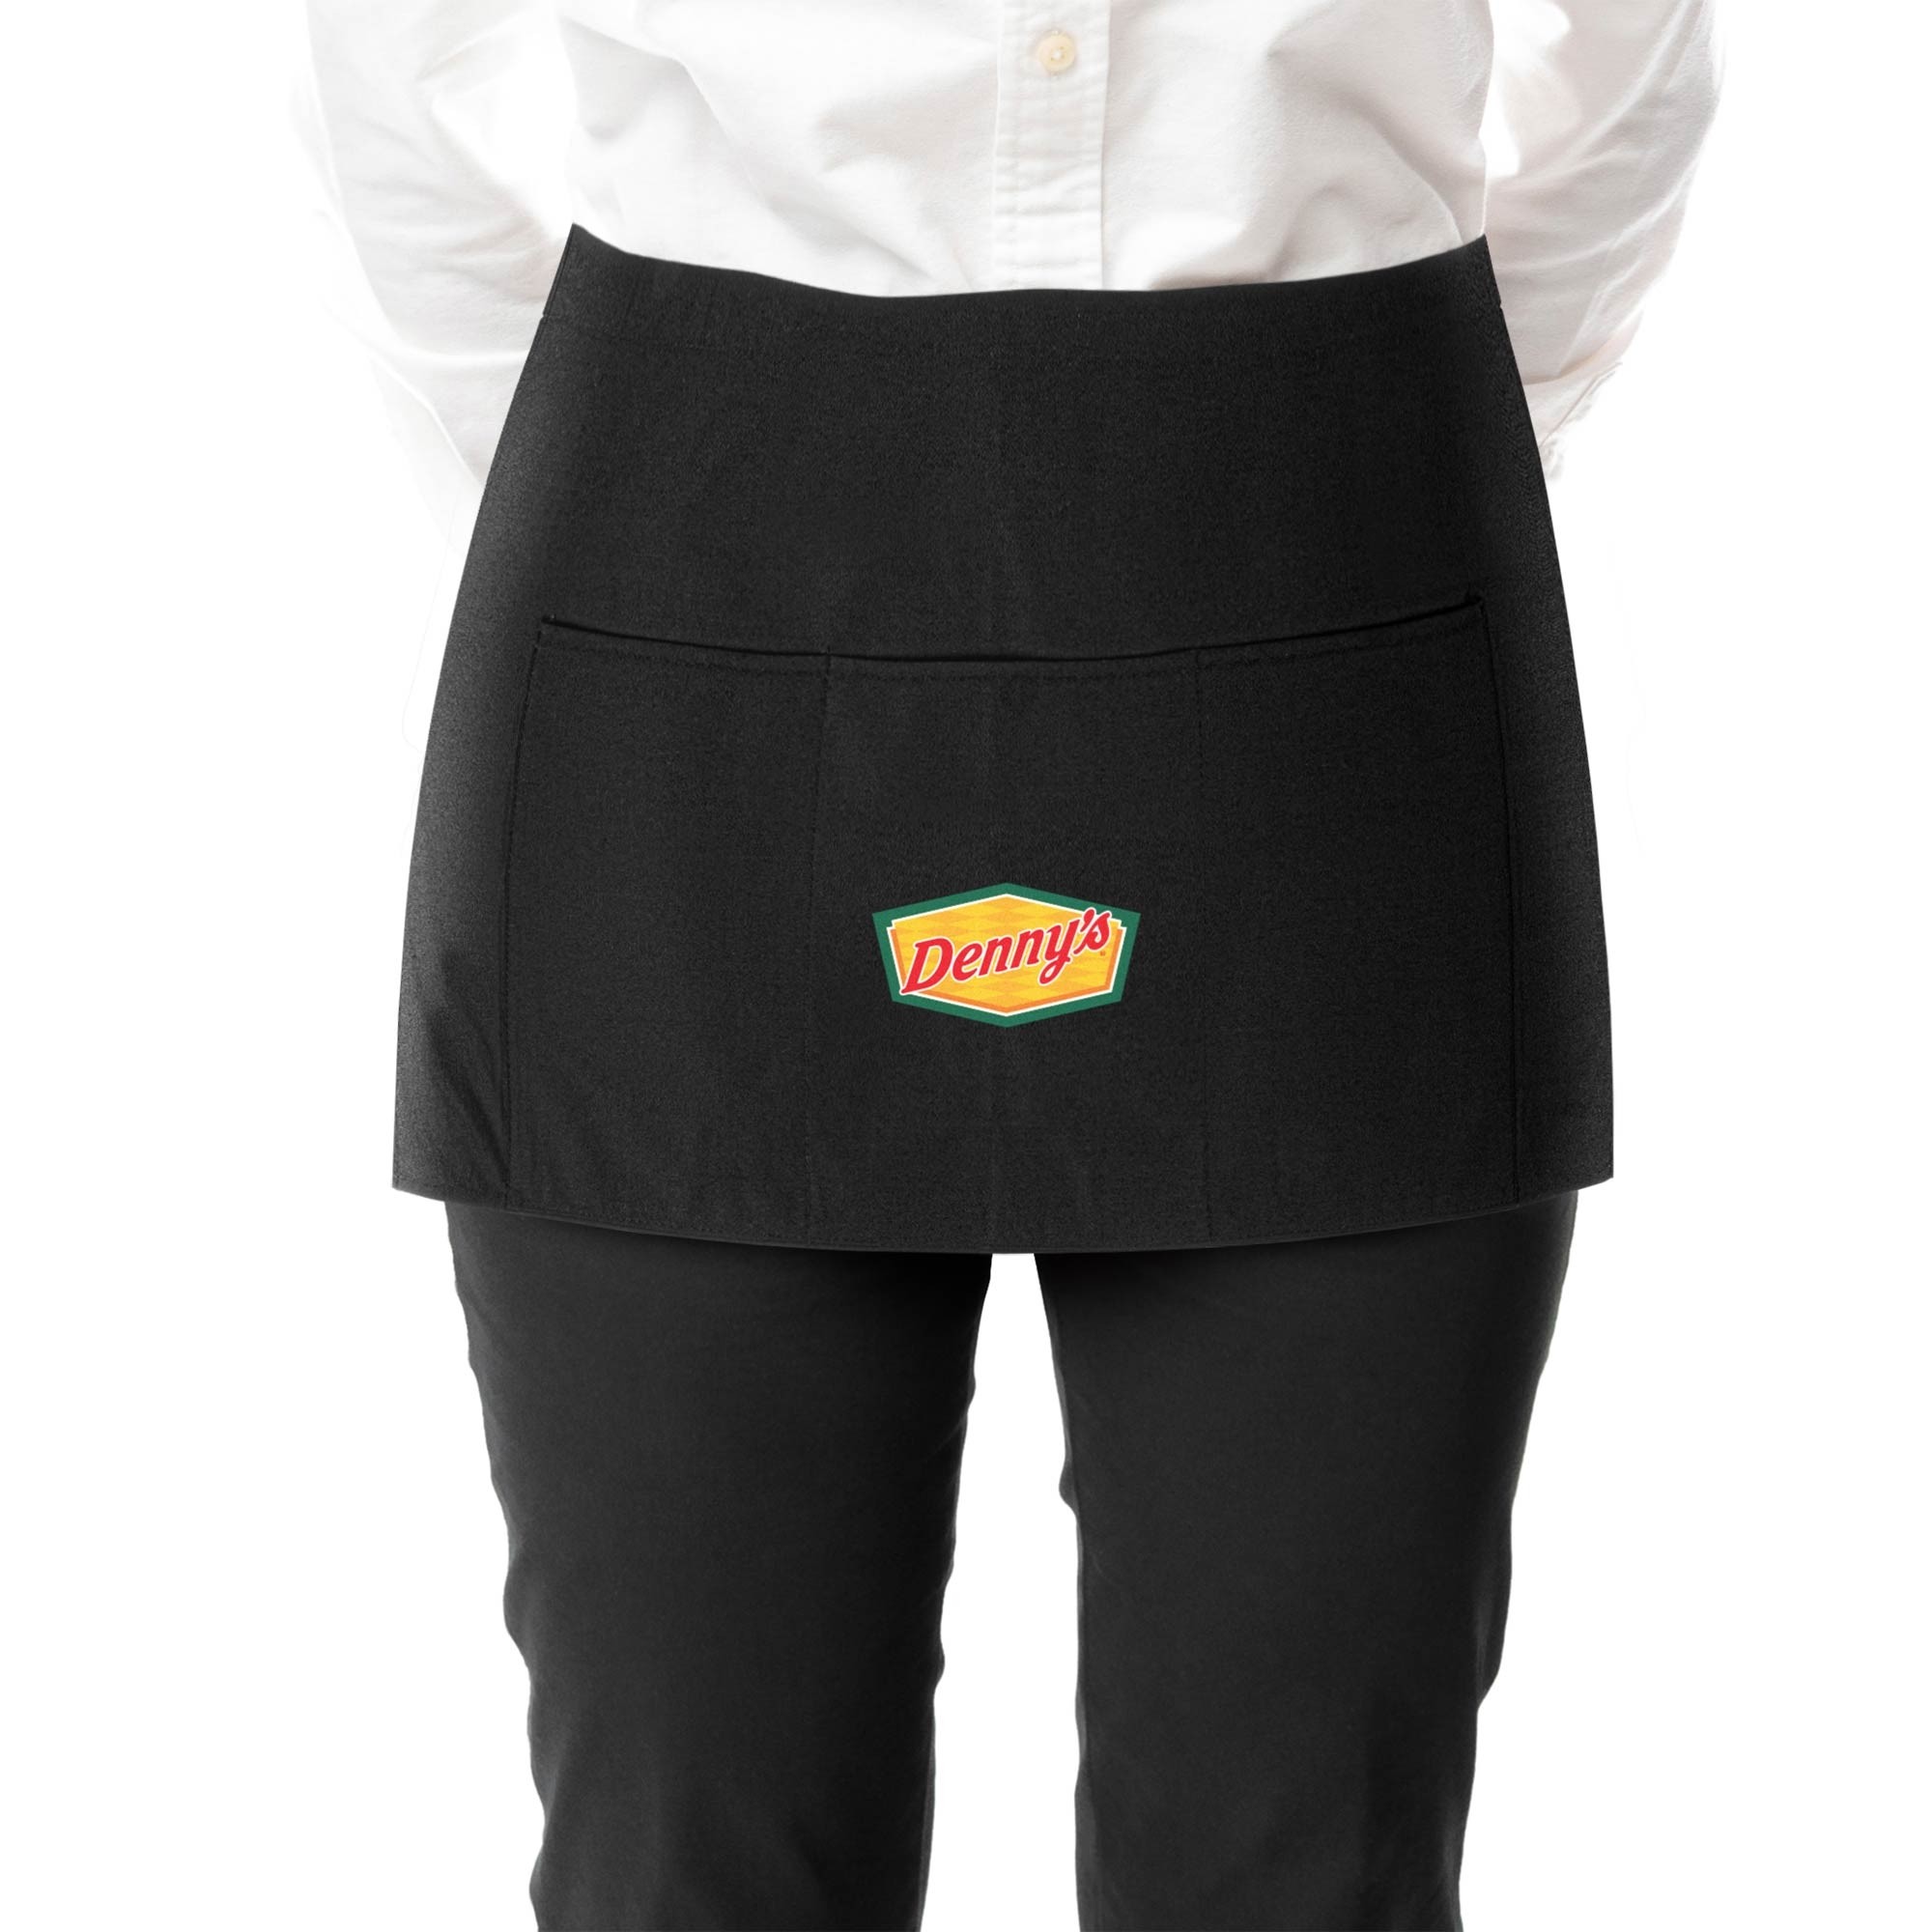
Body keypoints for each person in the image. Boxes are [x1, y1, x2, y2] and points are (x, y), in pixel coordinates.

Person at [297, 5, 1719, 1927]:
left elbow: (1635, 57)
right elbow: (379, 78)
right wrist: (646, 471)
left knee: (1308, 1866)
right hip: (682, 660)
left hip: (1337, 637)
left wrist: (1376, 443)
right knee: (688, 1859)